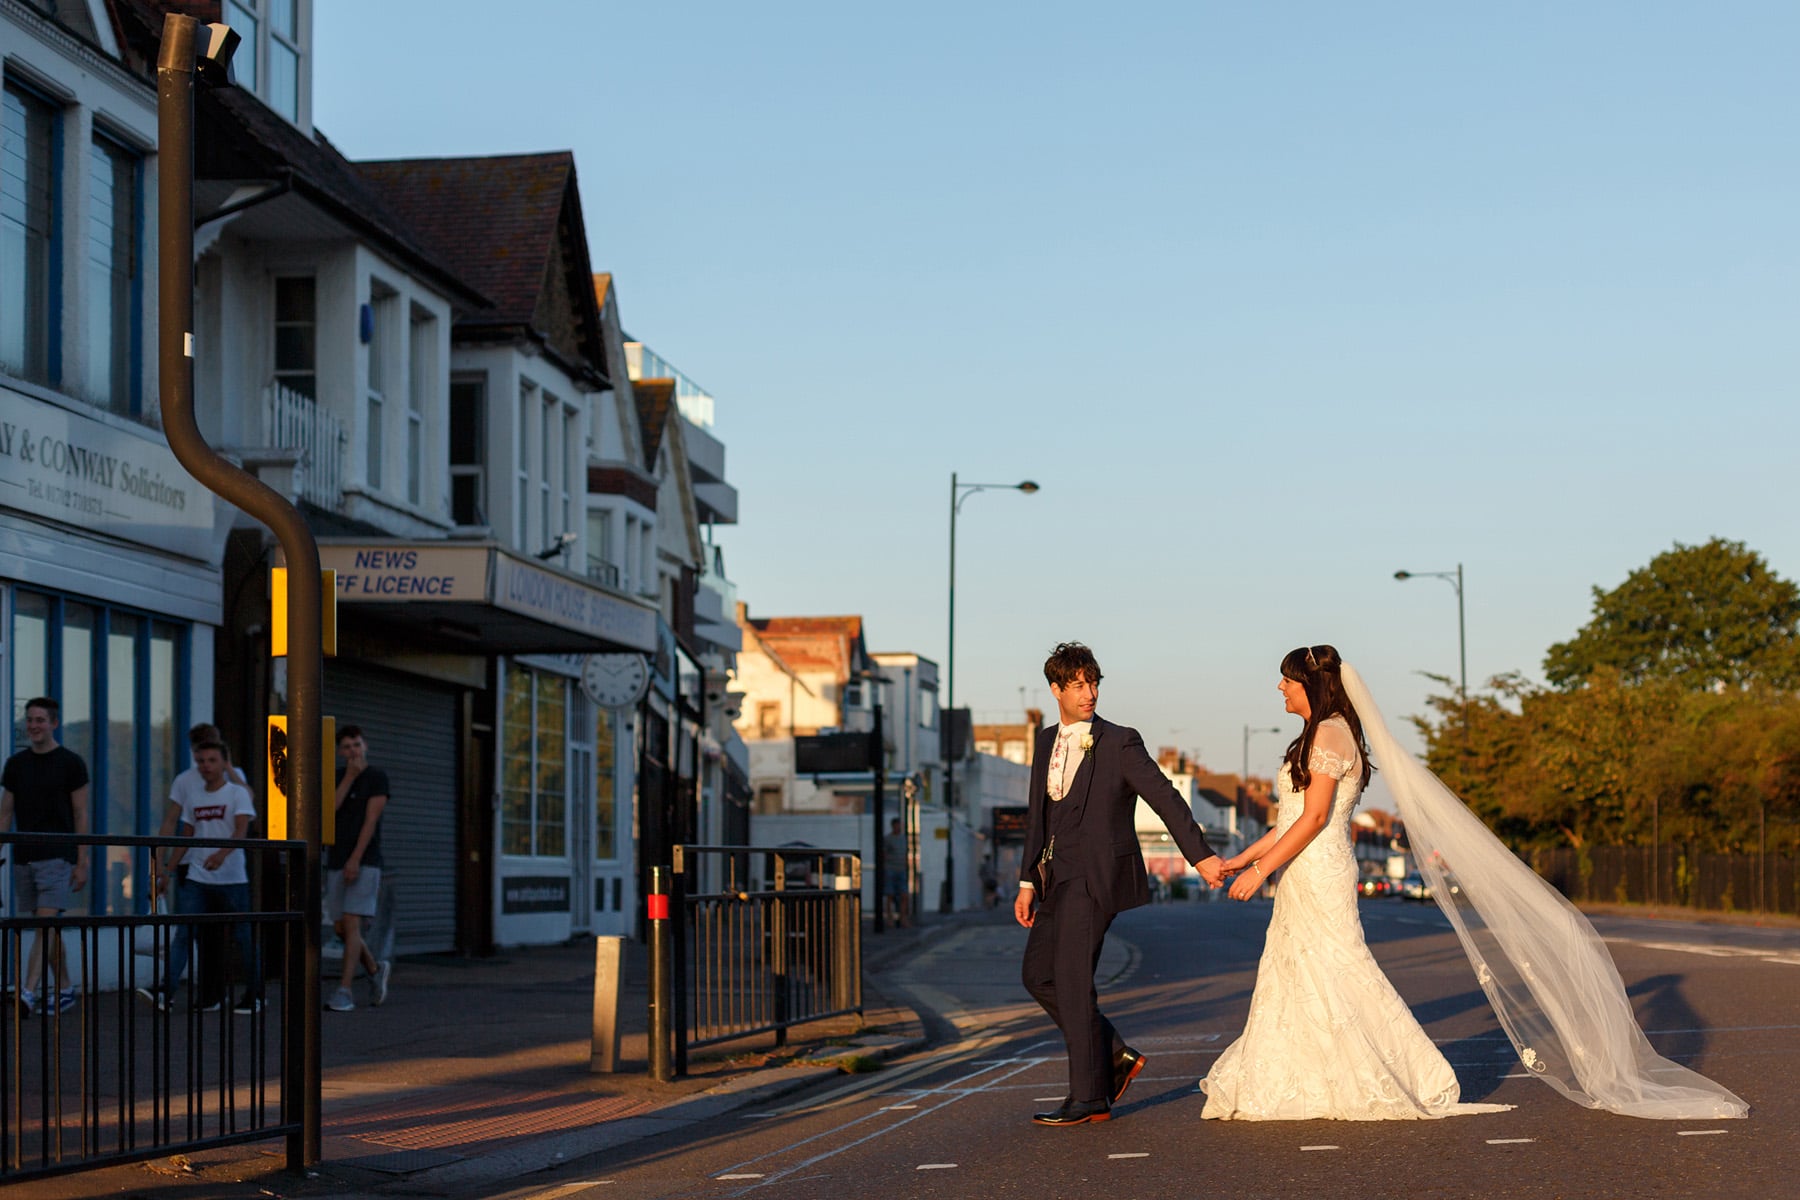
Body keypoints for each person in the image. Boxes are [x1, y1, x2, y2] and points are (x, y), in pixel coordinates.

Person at [1200, 645, 1747, 1122]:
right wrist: (1238, 860)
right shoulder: (1318, 735)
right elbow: (1288, 820)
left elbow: (1316, 818)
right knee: (1296, 968)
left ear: (1311, 685)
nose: (1280, 687)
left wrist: (1260, 871)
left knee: (1339, 966)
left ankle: (1392, 1075)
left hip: (1320, 868)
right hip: (1304, 868)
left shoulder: (1331, 733)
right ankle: (1299, 1073)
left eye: (1287, 680)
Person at [1016, 642, 1225, 1127]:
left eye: (1094, 683)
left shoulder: (1119, 740)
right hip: (1056, 878)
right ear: (1057, 690)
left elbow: (1165, 797)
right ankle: (1113, 1054)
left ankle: (1088, 1097)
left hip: (1096, 877)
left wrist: (1200, 856)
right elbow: (1037, 818)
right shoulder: (1046, 741)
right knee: (1037, 976)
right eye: (1078, 685)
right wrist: (1027, 881)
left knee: (1071, 981)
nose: (1089, 693)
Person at [138, 737, 261, 1013]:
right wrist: (167, 870)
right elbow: (186, 836)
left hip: (232, 878)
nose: (206, 766)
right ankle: (165, 991)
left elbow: (241, 830)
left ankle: (254, 993)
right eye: (201, 761)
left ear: (223, 763)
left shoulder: (236, 793)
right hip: (198, 877)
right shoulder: (193, 796)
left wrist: (221, 854)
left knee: (243, 936)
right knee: (184, 934)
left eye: (212, 760)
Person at [1, 697, 90, 1017]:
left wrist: (82, 861)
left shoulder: (71, 763)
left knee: (43, 924)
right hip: (24, 856)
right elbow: (5, 812)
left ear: (54, 723)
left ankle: (27, 991)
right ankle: (65, 989)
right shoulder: (15, 764)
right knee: (47, 927)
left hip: (58, 856)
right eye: (30, 720)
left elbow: (81, 814)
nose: (34, 726)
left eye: (40, 720)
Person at [327, 726, 390, 1012]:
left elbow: (370, 821)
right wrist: (349, 778)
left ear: (365, 746)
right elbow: (328, 812)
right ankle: (375, 970)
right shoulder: (339, 777)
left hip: (364, 859)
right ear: (340, 752)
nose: (353, 751)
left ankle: (345, 990)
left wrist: (356, 858)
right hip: (336, 857)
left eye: (356, 745)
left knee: (352, 922)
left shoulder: (377, 777)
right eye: (347, 747)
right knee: (341, 927)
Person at [880, 817, 909, 927]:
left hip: (901, 869)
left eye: (900, 825)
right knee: (890, 895)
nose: (899, 827)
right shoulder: (888, 839)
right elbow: (884, 853)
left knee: (904, 895)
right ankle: (890, 918)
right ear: (893, 826)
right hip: (890, 869)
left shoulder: (903, 838)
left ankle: (903, 918)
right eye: (897, 825)